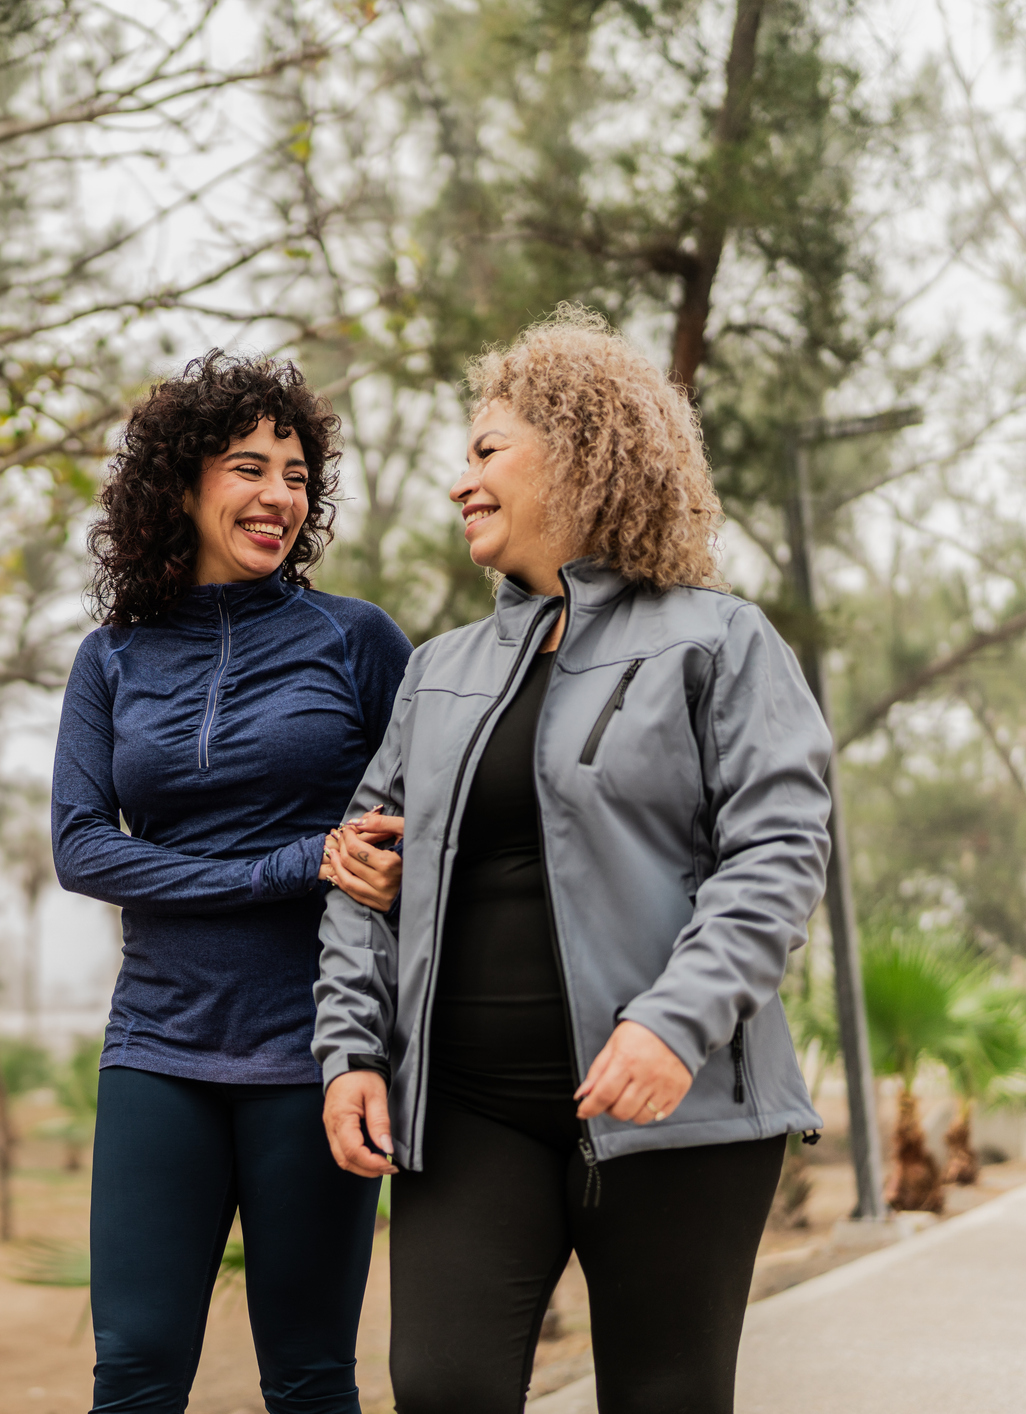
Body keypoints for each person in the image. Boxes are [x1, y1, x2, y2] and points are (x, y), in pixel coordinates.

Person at [314, 308, 831, 1414]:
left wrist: (668, 1023)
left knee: (663, 1396)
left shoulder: (717, 641)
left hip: (672, 1109)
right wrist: (349, 1047)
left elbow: (777, 853)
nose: (461, 481)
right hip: (466, 1111)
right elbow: (360, 870)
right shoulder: (437, 671)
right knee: (441, 1387)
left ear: (581, 451)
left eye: (486, 450)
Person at [53, 350, 413, 1414]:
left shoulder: (355, 641)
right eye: (248, 467)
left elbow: (409, 831)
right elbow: (81, 848)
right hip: (156, 1044)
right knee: (132, 1372)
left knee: (307, 1379)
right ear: (180, 482)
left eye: (296, 475)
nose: (277, 497)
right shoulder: (110, 658)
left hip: (314, 1049)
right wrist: (290, 861)